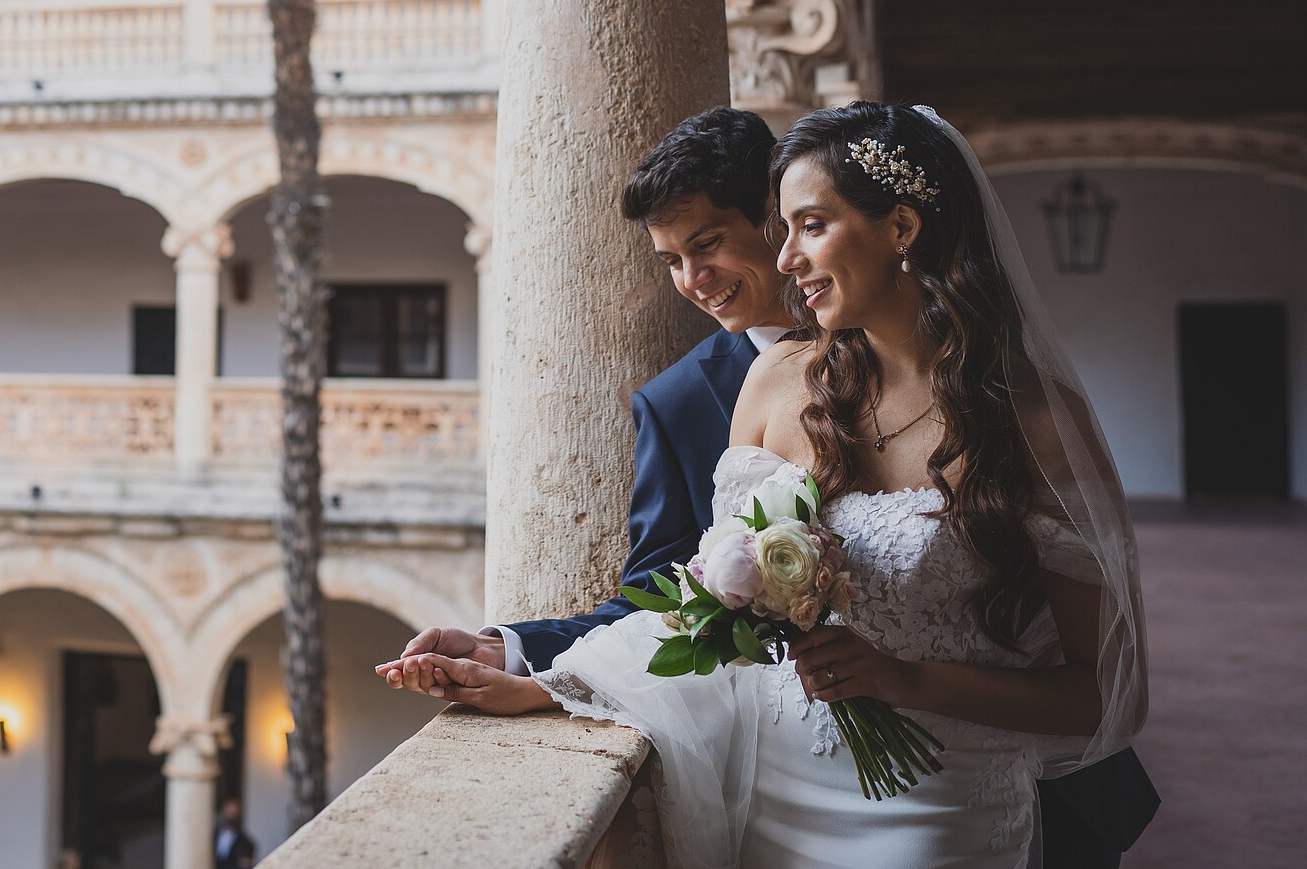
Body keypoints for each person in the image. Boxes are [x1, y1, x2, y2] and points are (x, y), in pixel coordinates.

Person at [391, 103, 1158, 868]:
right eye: (782, 228)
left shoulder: (1036, 426)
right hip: (775, 792)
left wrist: (904, 679)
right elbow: (695, 598)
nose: (787, 258)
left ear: (901, 227)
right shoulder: (775, 382)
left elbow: (1103, 693)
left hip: (938, 806)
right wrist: (547, 679)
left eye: (809, 225)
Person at [377, 106, 793, 689]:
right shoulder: (677, 404)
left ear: (774, 219)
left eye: (709, 244)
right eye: (673, 260)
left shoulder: (894, 342)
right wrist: (506, 648)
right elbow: (658, 598)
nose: (694, 279)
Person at [213, 797, 256, 868]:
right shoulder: (211, 836)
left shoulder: (246, 843)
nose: (231, 816)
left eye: (234, 813)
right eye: (228, 811)